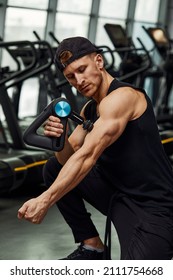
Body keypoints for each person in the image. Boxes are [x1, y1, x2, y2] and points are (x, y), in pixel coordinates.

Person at [18, 36, 173, 260]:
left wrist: (45, 200)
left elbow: (87, 155)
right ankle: (92, 247)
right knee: (53, 168)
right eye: (71, 76)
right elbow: (66, 159)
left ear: (99, 62)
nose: (79, 80)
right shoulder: (90, 109)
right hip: (118, 197)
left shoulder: (124, 97)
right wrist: (59, 139)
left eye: (82, 69)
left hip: (154, 207)